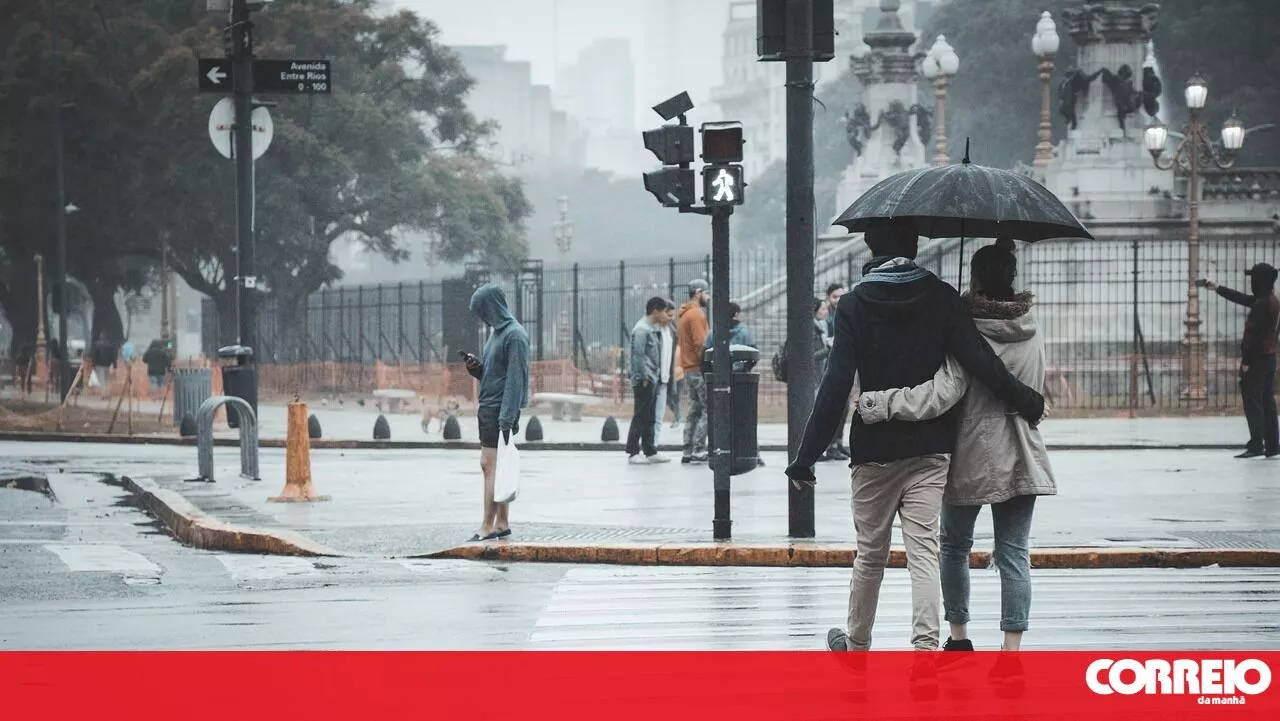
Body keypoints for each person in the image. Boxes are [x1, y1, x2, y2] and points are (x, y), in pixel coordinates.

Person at [783, 218, 1045, 661]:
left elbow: (834, 387)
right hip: (931, 447)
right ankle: (925, 649)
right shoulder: (943, 298)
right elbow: (979, 360)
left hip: (874, 451)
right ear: (915, 246)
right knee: (924, 550)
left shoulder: (852, 305)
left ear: (870, 249)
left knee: (871, 554)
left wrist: (805, 457)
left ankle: (858, 645)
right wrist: (1026, 398)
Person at [855, 237, 1057, 662]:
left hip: (971, 452)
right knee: (1015, 553)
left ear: (975, 278)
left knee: (952, 546)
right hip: (1022, 451)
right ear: (1012, 278)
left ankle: (960, 636)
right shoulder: (1032, 328)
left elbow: (946, 392)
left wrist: (883, 404)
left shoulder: (966, 330)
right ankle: (1012, 651)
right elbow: (1037, 390)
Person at [463, 283, 531, 542]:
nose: (481, 317)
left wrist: (506, 418)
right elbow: (496, 375)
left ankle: (486, 525)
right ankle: (501, 523)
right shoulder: (497, 334)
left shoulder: (514, 335)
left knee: (488, 466)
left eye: (482, 310)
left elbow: (515, 380)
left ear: (492, 306)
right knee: (498, 467)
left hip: (499, 410)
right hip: (493, 407)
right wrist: (477, 370)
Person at [1204, 264, 1279, 459]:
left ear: (1259, 280)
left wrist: (1246, 361)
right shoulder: (1271, 301)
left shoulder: (1262, 304)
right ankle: (1272, 445)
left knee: (1253, 402)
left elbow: (1255, 336)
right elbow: (1243, 299)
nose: (1251, 282)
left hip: (1257, 360)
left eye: (1253, 278)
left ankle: (1256, 445)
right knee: (1267, 401)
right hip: (1270, 359)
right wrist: (1217, 288)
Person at [627, 296, 675, 464]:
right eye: (663, 311)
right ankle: (633, 451)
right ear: (655, 311)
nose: (665, 315)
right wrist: (643, 377)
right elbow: (638, 356)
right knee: (640, 415)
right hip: (645, 379)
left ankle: (649, 450)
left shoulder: (651, 328)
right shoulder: (642, 330)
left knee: (650, 416)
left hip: (652, 378)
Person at [677, 280, 711, 464]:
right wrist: (709, 365)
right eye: (706, 293)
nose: (708, 297)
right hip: (699, 368)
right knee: (709, 408)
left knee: (694, 410)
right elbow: (701, 344)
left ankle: (687, 449)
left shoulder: (684, 314)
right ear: (698, 293)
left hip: (688, 368)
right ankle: (699, 448)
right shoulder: (697, 314)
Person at [824, 283, 852, 461]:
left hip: (843, 366)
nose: (838, 300)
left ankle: (838, 443)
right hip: (831, 369)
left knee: (844, 408)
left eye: (841, 296)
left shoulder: (844, 314)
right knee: (833, 409)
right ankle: (831, 445)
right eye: (835, 296)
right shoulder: (826, 317)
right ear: (828, 298)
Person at [652, 299, 678, 446]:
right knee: (648, 417)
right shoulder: (653, 331)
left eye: (673, 316)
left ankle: (653, 446)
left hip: (664, 379)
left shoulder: (672, 332)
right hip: (653, 379)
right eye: (668, 315)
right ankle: (646, 447)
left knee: (658, 417)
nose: (670, 319)